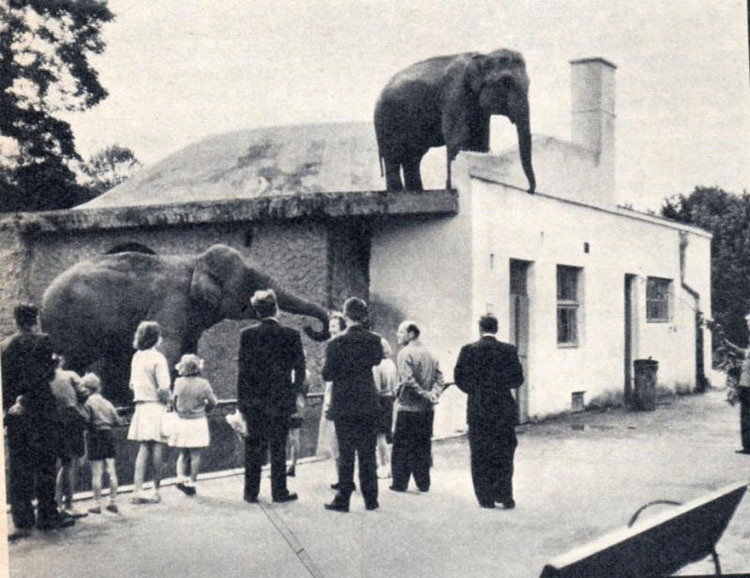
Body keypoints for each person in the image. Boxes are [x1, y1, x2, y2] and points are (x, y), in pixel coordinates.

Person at [1, 304, 75, 540]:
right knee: (45, 463)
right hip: (40, 410)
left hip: (14, 413)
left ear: (16, 320)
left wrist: (12, 403)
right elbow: (43, 375)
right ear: (35, 319)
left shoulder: (4, 346)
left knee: (19, 465)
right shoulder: (43, 341)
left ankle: (22, 518)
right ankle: (47, 514)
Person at [237, 289, 305, 504]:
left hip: (254, 401)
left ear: (257, 311)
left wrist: (242, 403)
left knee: (253, 447)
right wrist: (293, 392)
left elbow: (243, 372)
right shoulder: (291, 335)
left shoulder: (247, 335)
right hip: (281, 399)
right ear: (276, 308)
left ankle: (251, 492)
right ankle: (279, 491)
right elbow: (301, 370)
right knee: (278, 447)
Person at [454, 313, 524, 509]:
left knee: (480, 453)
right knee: (504, 453)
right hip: (503, 409)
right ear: (496, 329)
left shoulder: (468, 350)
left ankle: (485, 498)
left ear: (480, 329)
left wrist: (475, 391)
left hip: (478, 409)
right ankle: (505, 495)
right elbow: (518, 380)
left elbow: (459, 378)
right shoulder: (509, 350)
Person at [322, 297, 383, 513]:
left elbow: (327, 374)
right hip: (367, 401)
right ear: (364, 316)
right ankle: (371, 498)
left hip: (344, 403)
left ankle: (343, 498)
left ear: (345, 315)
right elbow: (376, 361)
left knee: (346, 454)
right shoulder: (374, 340)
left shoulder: (335, 343)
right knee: (368, 452)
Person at [390, 321, 445, 493]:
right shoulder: (431, 353)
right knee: (423, 445)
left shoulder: (405, 353)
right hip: (427, 409)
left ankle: (400, 482)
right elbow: (440, 379)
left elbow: (407, 380)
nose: (398, 336)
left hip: (408, 407)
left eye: (401, 332)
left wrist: (423, 393)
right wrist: (433, 394)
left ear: (411, 334)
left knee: (402, 446)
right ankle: (423, 482)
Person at [127, 320, 171, 504]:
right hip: (156, 406)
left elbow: (131, 384)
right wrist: (167, 402)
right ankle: (155, 489)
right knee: (158, 447)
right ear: (156, 338)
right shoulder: (158, 358)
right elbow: (164, 387)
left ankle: (137, 489)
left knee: (143, 448)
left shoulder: (136, 356)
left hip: (141, 406)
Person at [168, 354, 218, 495]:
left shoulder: (178, 382)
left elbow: (174, 402)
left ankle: (180, 478)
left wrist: (179, 412)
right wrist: (205, 409)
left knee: (183, 454)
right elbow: (213, 402)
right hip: (198, 421)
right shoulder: (203, 384)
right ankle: (191, 482)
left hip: (182, 421)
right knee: (196, 455)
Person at [50, 355, 89, 519]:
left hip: (53, 422)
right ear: (61, 362)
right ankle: (69, 505)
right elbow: (84, 393)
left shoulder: (44, 379)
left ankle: (57, 504)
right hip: (72, 420)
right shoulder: (70, 375)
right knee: (71, 463)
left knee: (62, 465)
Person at [81, 372, 124, 514]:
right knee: (111, 471)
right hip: (108, 435)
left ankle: (97, 503)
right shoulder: (107, 403)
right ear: (98, 387)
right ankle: (113, 501)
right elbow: (117, 421)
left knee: (97, 473)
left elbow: (85, 420)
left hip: (94, 436)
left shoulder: (87, 403)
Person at [317, 312, 347, 488]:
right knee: (337, 440)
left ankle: (343, 479)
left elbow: (328, 374)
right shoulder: (335, 344)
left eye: (334, 325)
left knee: (337, 438)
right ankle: (342, 477)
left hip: (336, 395)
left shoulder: (335, 345)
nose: (330, 328)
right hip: (334, 393)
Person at [373, 337, 398, 478]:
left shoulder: (377, 365)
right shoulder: (391, 364)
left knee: (379, 435)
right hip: (390, 398)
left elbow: (376, 387)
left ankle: (383, 465)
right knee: (386, 433)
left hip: (380, 399)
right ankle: (388, 465)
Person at [286, 370, 310, 478]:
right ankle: (292, 465)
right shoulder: (307, 374)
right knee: (294, 438)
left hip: (291, 407)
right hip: (299, 406)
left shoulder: (290, 371)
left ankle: (288, 466)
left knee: (289, 438)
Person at [735, 314, 750, 454]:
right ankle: (747, 445)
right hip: (745, 385)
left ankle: (748, 445)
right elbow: (744, 353)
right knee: (745, 416)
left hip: (747, 385)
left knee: (746, 415)